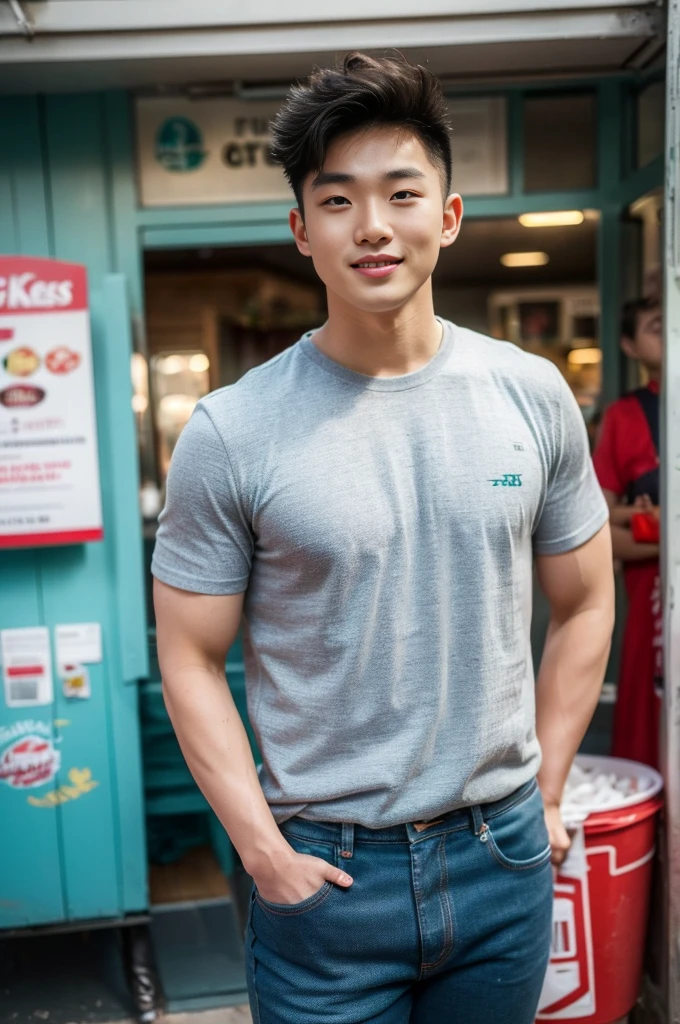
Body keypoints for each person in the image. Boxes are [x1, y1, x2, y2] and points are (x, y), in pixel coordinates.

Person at [152, 53, 614, 1024]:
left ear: (445, 217)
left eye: (401, 193)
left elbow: (582, 603)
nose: (371, 226)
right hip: (327, 878)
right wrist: (261, 852)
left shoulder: (529, 394)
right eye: (337, 200)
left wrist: (548, 788)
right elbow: (190, 656)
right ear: (300, 230)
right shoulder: (232, 429)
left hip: (500, 861)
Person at [593, 297, 663, 768]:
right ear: (630, 346)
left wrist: (649, 522)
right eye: (657, 326)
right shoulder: (625, 417)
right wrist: (646, 523)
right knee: (651, 731)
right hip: (653, 603)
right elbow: (596, 526)